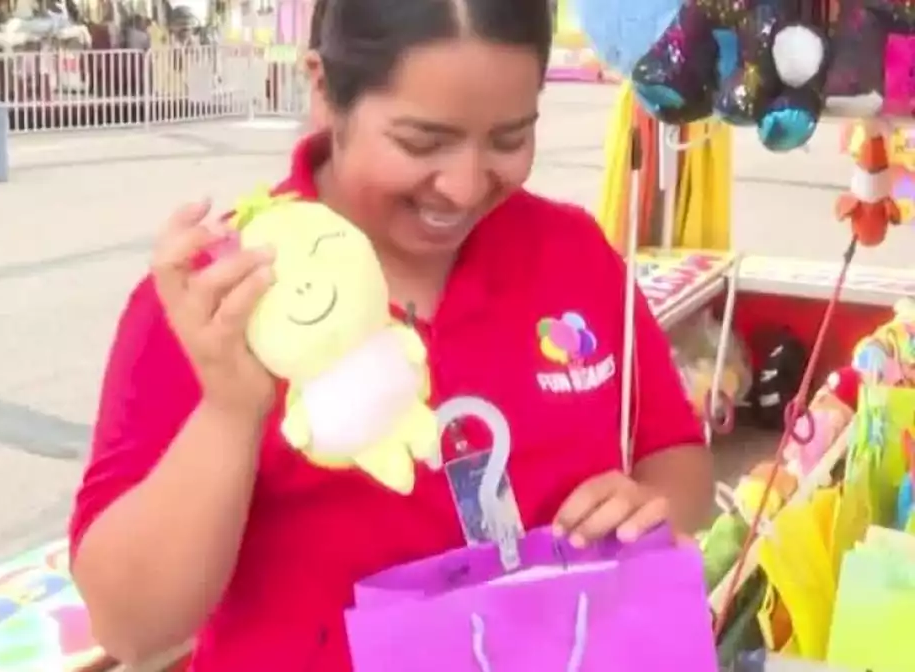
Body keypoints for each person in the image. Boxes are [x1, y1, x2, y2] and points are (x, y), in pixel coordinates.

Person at [69, 0, 715, 668]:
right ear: (323, 89)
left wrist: (652, 506)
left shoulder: (573, 254)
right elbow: (130, 625)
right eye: (422, 143)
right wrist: (231, 410)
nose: (464, 188)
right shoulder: (219, 297)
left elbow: (675, 453)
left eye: (508, 139)